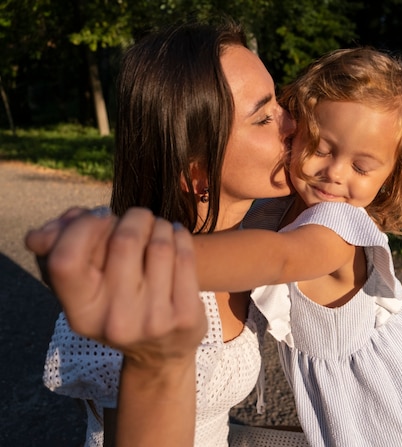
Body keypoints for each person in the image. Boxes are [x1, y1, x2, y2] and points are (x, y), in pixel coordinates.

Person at [29, 46, 402, 446]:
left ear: (392, 175)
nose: (334, 173)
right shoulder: (271, 211)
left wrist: (147, 256)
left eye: (362, 166)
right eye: (319, 145)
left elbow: (279, 257)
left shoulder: (338, 225)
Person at [31, 20, 309, 447]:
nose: (292, 122)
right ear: (196, 171)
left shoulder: (257, 227)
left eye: (280, 100)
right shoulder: (142, 292)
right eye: (263, 117)